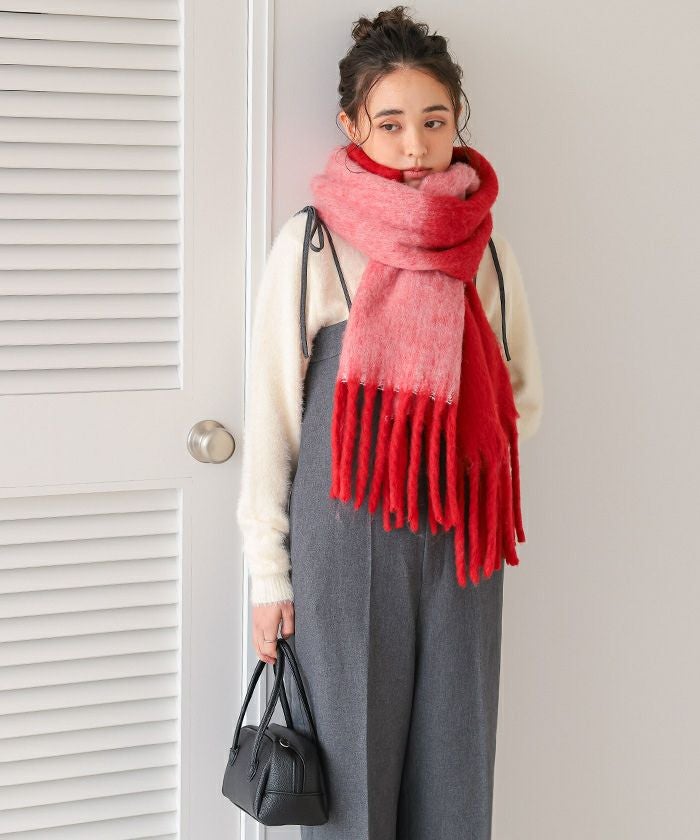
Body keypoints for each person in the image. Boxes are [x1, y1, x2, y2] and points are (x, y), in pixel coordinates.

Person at [236, 6, 544, 838]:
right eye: (392, 123)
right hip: (343, 536)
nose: (416, 146)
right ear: (352, 126)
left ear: (458, 122)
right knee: (347, 779)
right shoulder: (314, 244)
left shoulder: (485, 248)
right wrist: (268, 575)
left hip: (463, 536)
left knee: (457, 768)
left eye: (435, 122)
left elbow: (520, 393)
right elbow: (273, 416)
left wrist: (453, 457)